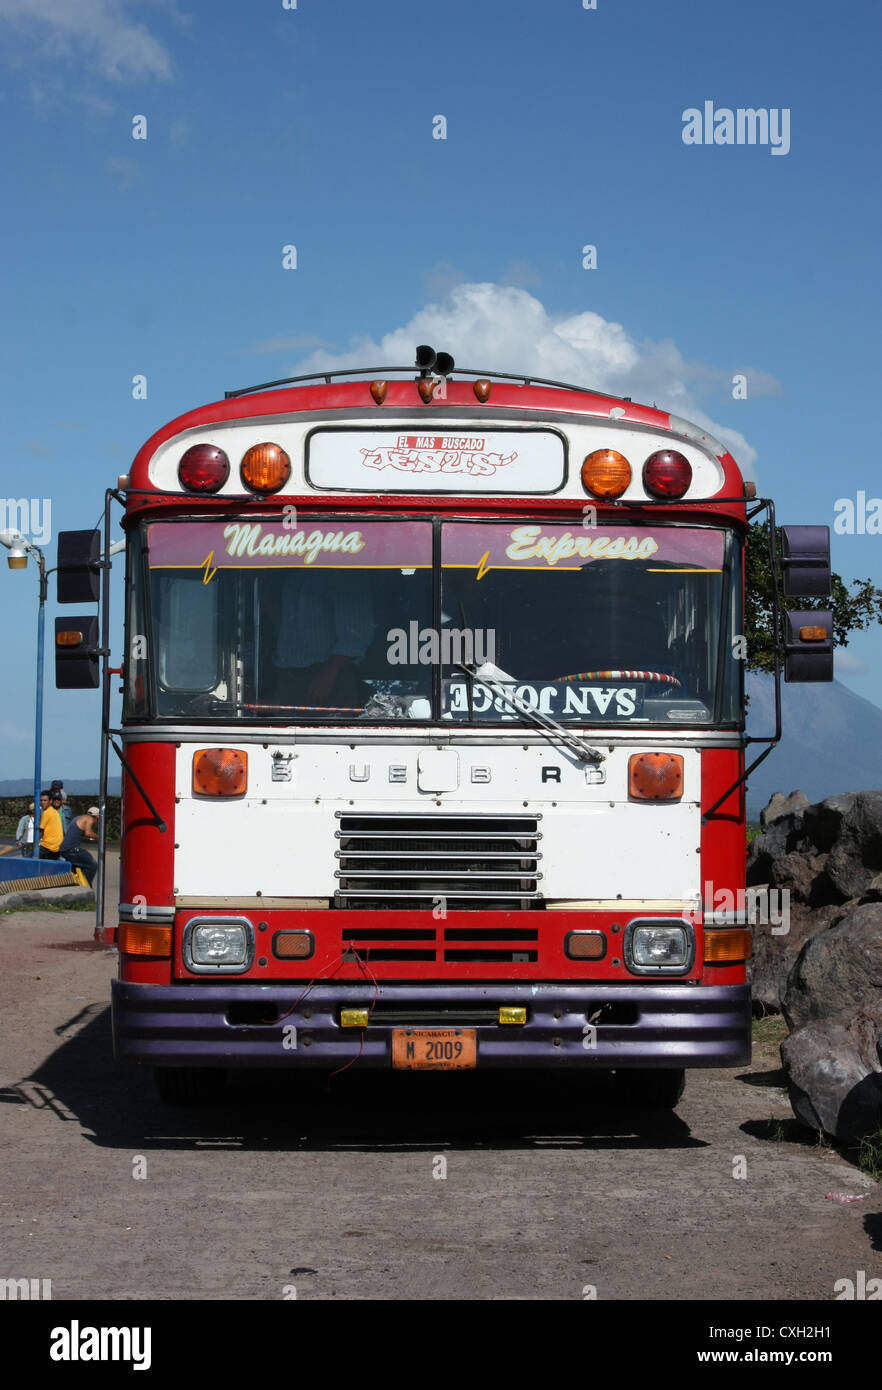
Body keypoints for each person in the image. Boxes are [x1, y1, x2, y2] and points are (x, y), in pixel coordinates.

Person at [273, 571, 375, 707]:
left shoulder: (344, 572)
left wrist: (328, 674)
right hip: (288, 679)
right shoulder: (293, 575)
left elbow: (356, 633)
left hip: (327, 682)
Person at [59, 807, 99, 887]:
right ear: (97, 817)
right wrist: (99, 837)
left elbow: (81, 832)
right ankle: (86, 888)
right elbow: (88, 833)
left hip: (64, 849)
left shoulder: (79, 817)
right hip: (72, 849)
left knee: (77, 868)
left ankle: (75, 887)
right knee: (92, 864)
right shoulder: (89, 819)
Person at [38, 790, 63, 859]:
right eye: (41, 800)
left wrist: (34, 844)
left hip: (48, 846)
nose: (42, 803)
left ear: (50, 801)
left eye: (45, 800)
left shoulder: (46, 813)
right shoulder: (55, 812)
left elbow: (40, 832)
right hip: (57, 847)